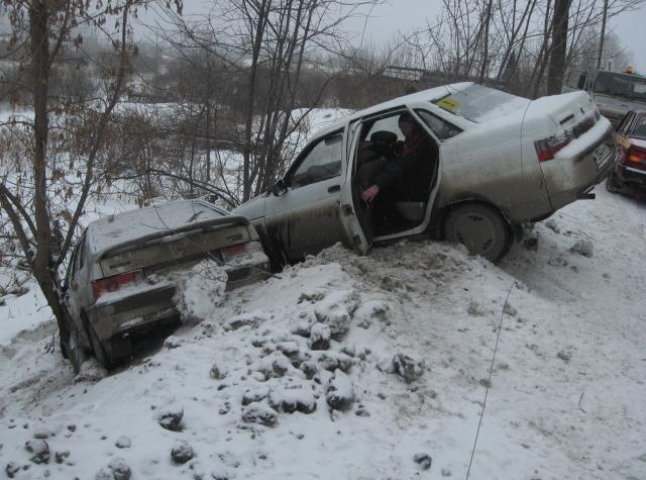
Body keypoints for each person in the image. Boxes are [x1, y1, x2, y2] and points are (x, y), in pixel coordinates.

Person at [360, 112, 436, 205]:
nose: (402, 131)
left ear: (413, 125)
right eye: (400, 127)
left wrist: (377, 185)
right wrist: (373, 145)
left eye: (404, 127)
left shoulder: (422, 142)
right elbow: (398, 151)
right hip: (414, 178)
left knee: (381, 196)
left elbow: (402, 164)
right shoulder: (413, 139)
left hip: (419, 185)